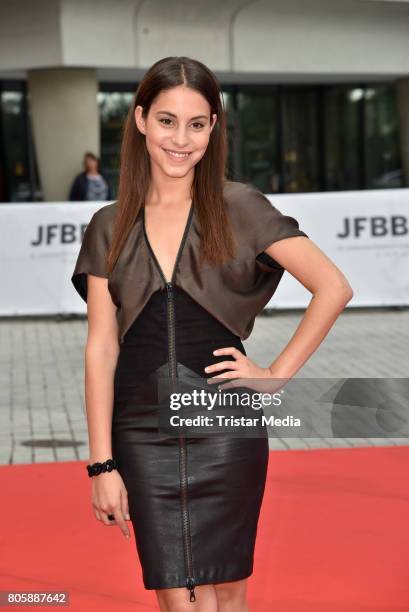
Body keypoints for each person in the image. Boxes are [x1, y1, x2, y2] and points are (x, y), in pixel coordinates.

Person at [71, 56, 353, 611]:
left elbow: (333, 287)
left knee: (226, 593)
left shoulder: (239, 205)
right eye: (168, 120)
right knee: (175, 597)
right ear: (140, 120)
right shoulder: (109, 223)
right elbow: (101, 348)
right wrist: (101, 464)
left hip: (225, 428)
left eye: (197, 123)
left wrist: (274, 376)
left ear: (214, 128)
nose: (181, 138)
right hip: (140, 430)